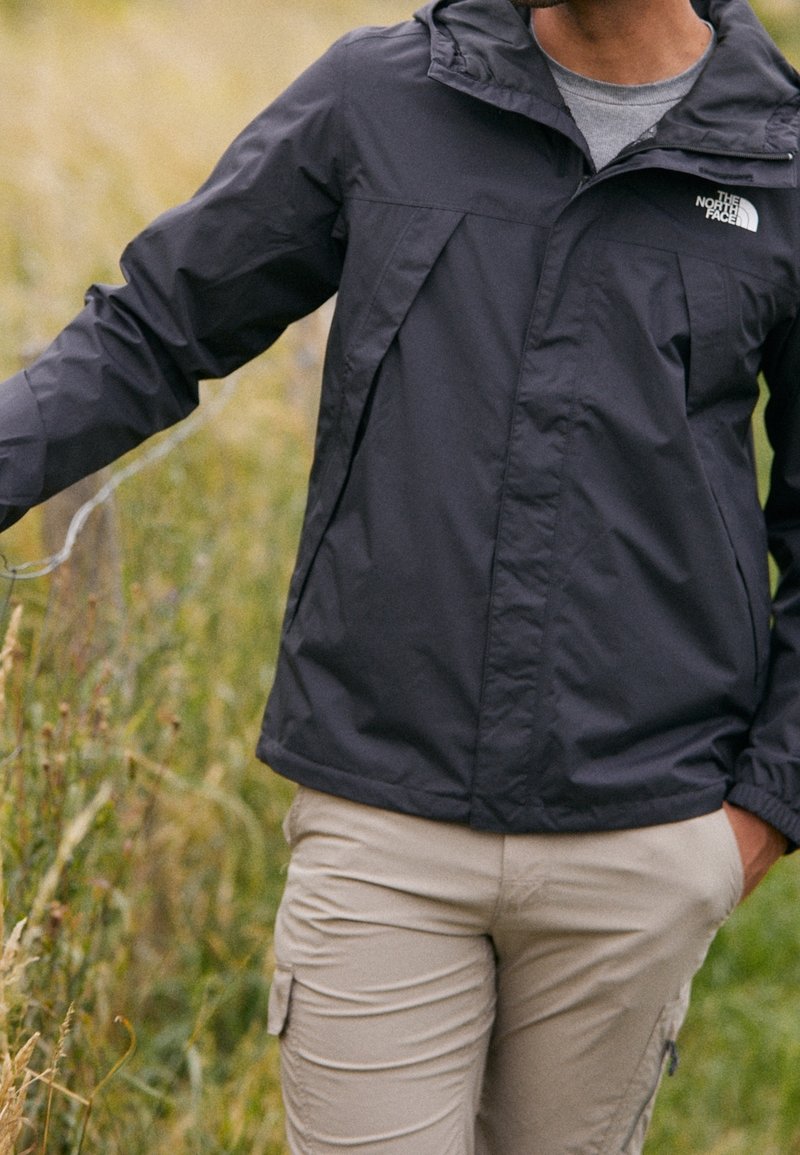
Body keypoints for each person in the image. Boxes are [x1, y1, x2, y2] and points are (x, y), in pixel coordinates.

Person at [1, 0, 798, 1148]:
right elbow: (153, 330)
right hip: (379, 817)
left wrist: (757, 814)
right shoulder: (381, 95)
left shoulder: (773, 154)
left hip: (641, 835)